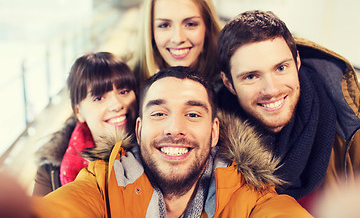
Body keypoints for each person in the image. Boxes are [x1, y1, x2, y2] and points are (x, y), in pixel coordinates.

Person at [33, 66, 311, 217]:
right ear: (138, 130)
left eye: (192, 113)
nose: (175, 128)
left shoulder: (250, 197)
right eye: (159, 113)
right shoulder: (102, 183)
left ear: (214, 132)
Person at [217, 10, 360, 213]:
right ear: (228, 83)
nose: (272, 90)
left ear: (297, 62)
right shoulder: (212, 147)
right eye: (251, 76)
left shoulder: (351, 134)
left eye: (281, 68)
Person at [32, 52, 138, 196]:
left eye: (124, 91)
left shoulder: (155, 154)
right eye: (99, 98)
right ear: (78, 112)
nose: (117, 105)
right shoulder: (50, 174)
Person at [132, 0, 222, 86]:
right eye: (164, 25)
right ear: (151, 31)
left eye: (190, 24)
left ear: (207, 26)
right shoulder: (129, 84)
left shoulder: (229, 83)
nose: (178, 39)